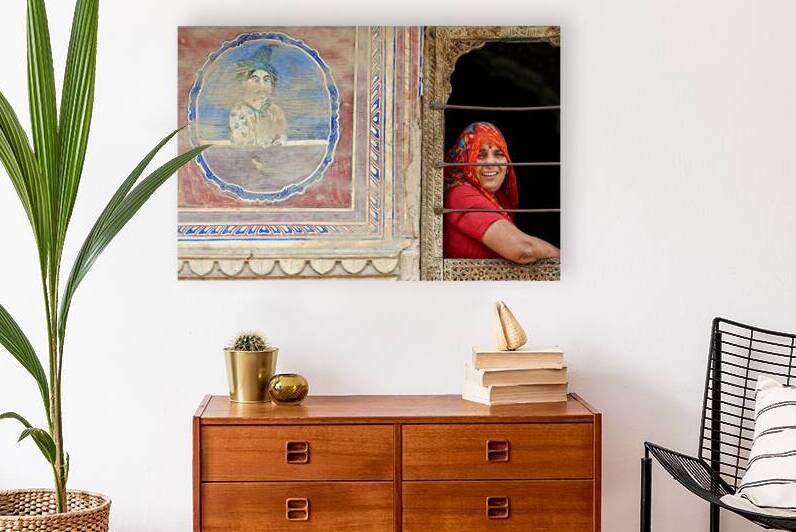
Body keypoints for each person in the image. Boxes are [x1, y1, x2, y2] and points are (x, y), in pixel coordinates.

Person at [443, 122, 560, 263]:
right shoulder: (460, 194)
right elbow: (523, 249)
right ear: (464, 159)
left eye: (498, 154)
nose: (490, 163)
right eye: (480, 155)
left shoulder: (498, 198)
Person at [229, 45, 288, 147]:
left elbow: (282, 137)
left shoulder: (276, 111)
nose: (262, 86)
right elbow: (242, 143)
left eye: (266, 80)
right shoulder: (239, 111)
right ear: (244, 83)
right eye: (255, 79)